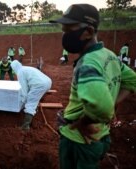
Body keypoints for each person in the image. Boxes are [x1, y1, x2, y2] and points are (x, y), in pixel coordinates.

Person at [50, 4, 136, 169]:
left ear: (88, 32)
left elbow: (102, 108)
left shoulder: (87, 64)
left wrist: (83, 122)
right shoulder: (110, 56)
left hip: (79, 140)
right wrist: (114, 102)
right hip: (100, 135)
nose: (64, 35)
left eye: (68, 29)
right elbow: (132, 81)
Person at [11, 60, 52, 130]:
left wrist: (23, 102)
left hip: (39, 85)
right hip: (48, 82)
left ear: (14, 68)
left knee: (30, 103)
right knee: (34, 98)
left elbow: (24, 89)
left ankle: (25, 127)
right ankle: (35, 110)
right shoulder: (25, 68)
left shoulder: (20, 72)